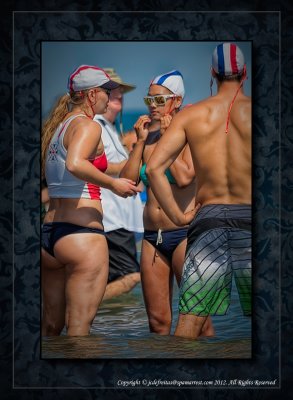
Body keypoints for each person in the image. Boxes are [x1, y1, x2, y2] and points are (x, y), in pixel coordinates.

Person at [146, 43, 252, 339]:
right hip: (253, 220)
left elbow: (154, 169)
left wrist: (178, 217)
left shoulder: (192, 116)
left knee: (188, 329)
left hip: (208, 221)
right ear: (244, 73)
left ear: (212, 74)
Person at [41, 65, 140, 336]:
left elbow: (73, 167)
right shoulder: (88, 126)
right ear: (92, 94)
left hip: (50, 236)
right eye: (107, 92)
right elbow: (75, 164)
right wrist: (113, 184)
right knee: (79, 332)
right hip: (82, 236)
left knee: (51, 329)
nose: (110, 98)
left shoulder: (59, 127)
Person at [120, 70, 214, 336]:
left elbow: (184, 177)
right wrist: (139, 143)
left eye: (160, 100)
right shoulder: (146, 137)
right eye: (150, 100)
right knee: (158, 323)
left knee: (200, 323)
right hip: (153, 236)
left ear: (177, 101)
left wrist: (168, 137)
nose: (153, 106)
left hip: (186, 234)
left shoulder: (192, 135)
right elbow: (127, 184)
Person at [93, 68, 144, 300]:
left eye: (121, 89)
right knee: (131, 275)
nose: (120, 93)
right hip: (111, 218)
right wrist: (133, 163)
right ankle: (75, 313)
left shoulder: (109, 127)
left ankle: (97, 325)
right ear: (99, 94)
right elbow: (94, 164)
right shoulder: (96, 125)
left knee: (109, 277)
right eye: (113, 89)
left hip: (119, 218)